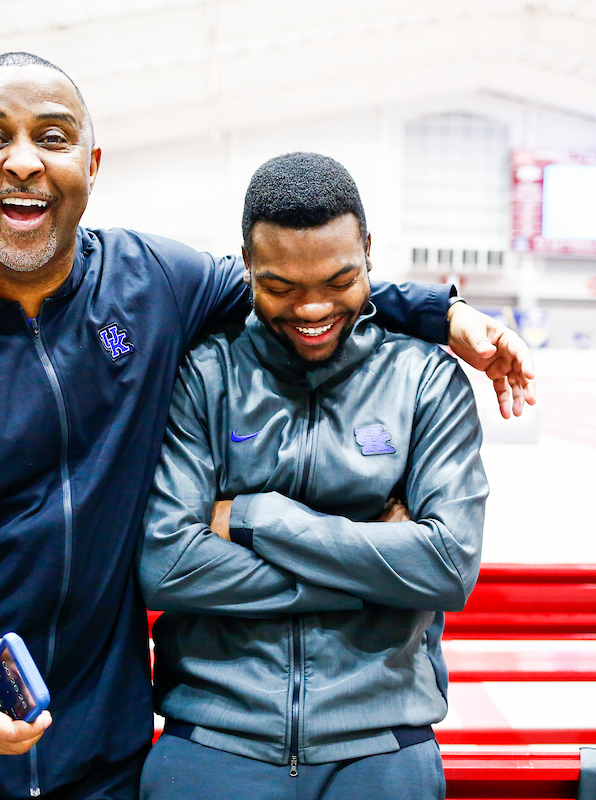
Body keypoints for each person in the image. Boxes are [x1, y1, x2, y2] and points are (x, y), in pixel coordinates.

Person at [0, 52, 532, 800]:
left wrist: (443, 313)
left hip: (102, 765)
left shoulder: (149, 287)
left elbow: (301, 286)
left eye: (52, 137)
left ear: (91, 164)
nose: (22, 160)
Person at [139, 153, 485, 800]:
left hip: (384, 745)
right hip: (212, 739)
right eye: (281, 288)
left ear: (370, 253)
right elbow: (168, 564)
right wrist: (380, 576)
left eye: (338, 279)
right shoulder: (205, 377)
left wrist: (251, 519)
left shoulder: (424, 382)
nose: (312, 309)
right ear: (245, 266)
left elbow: (446, 567)